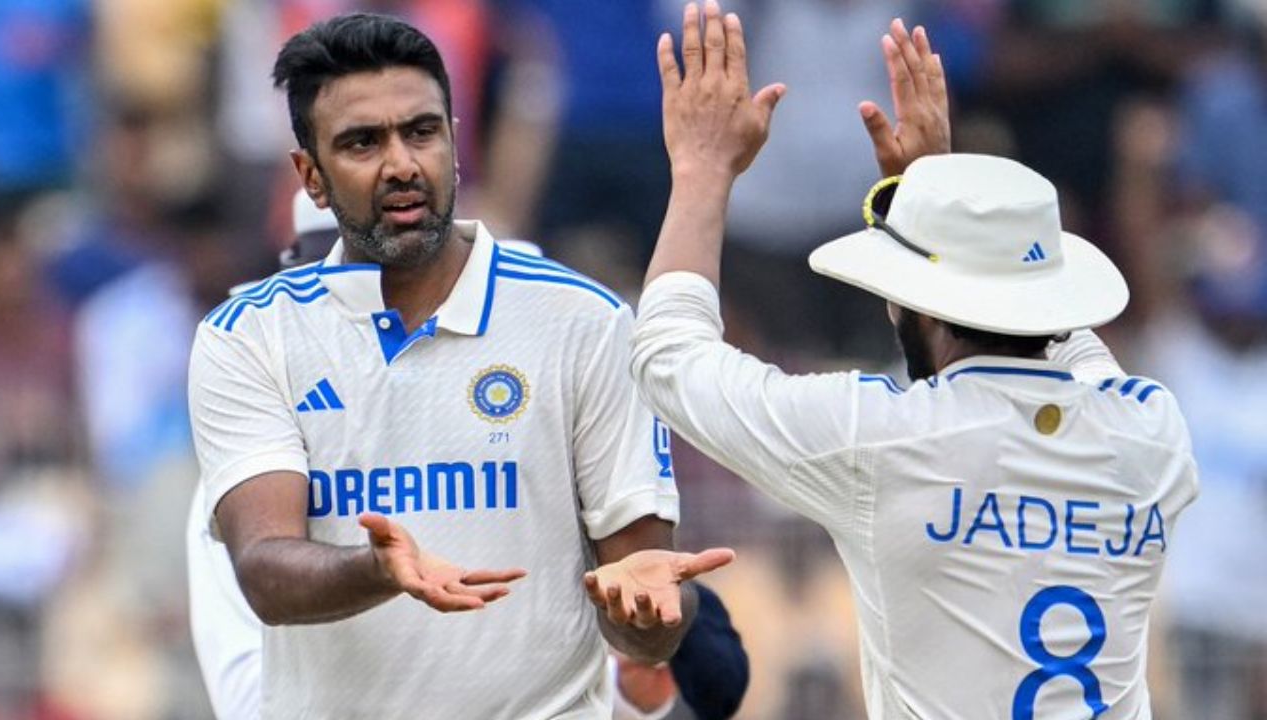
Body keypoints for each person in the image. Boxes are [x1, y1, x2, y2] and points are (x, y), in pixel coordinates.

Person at [629, 2, 1199, 718]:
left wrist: (701, 170)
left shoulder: (883, 437)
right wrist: (942, 200)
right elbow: (1070, 345)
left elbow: (669, 357)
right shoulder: (1152, 433)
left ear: (917, 304)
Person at [187, 13, 734, 719]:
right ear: (310, 177)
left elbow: (639, 602)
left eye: (421, 132)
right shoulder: (248, 336)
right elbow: (265, 575)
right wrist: (377, 570)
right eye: (362, 142)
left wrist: (656, 618)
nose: (401, 164)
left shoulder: (586, 323)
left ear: (453, 142)